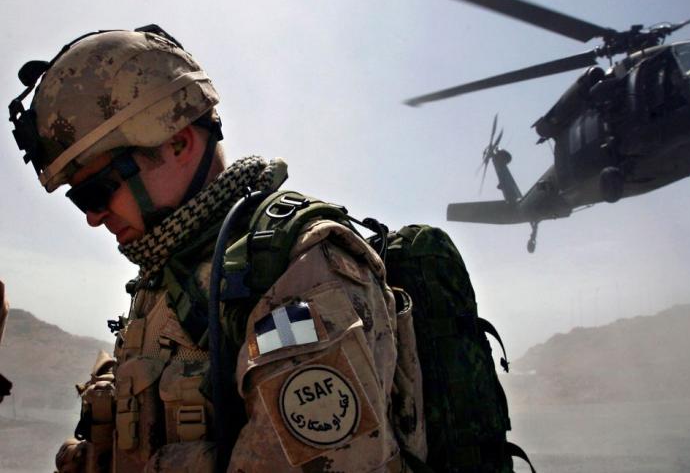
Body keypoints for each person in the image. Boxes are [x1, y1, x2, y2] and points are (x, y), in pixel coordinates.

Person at [8, 26, 425, 472]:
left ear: (179, 143)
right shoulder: (168, 277)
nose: (92, 216)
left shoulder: (297, 268)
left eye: (95, 192)